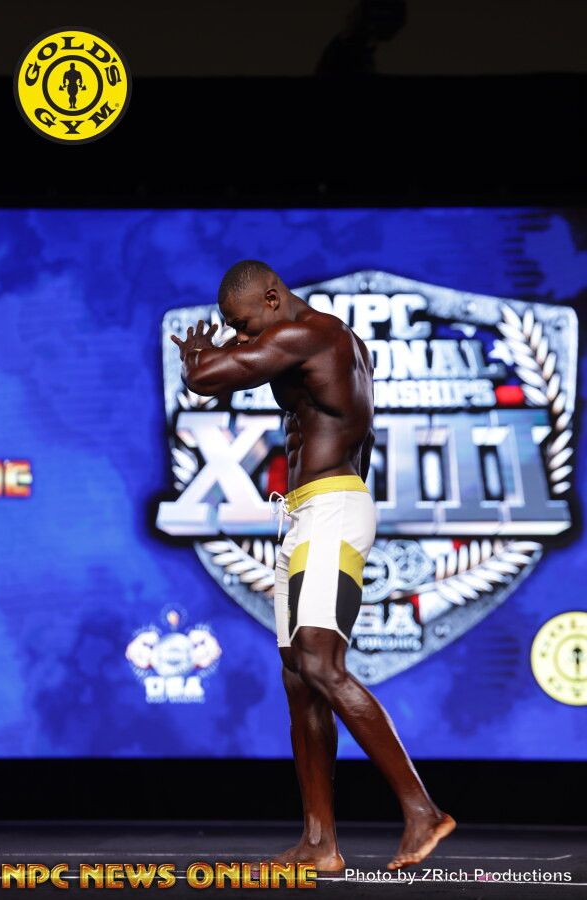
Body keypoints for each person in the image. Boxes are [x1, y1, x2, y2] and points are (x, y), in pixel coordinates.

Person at [170, 260, 456, 871]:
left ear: (273, 298)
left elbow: (207, 378)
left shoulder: (311, 334)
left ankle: (422, 811)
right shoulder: (310, 343)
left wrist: (197, 356)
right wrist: (217, 361)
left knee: (322, 665)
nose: (241, 335)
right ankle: (320, 843)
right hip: (307, 514)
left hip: (331, 510)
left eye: (243, 322)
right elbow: (231, 377)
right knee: (299, 679)